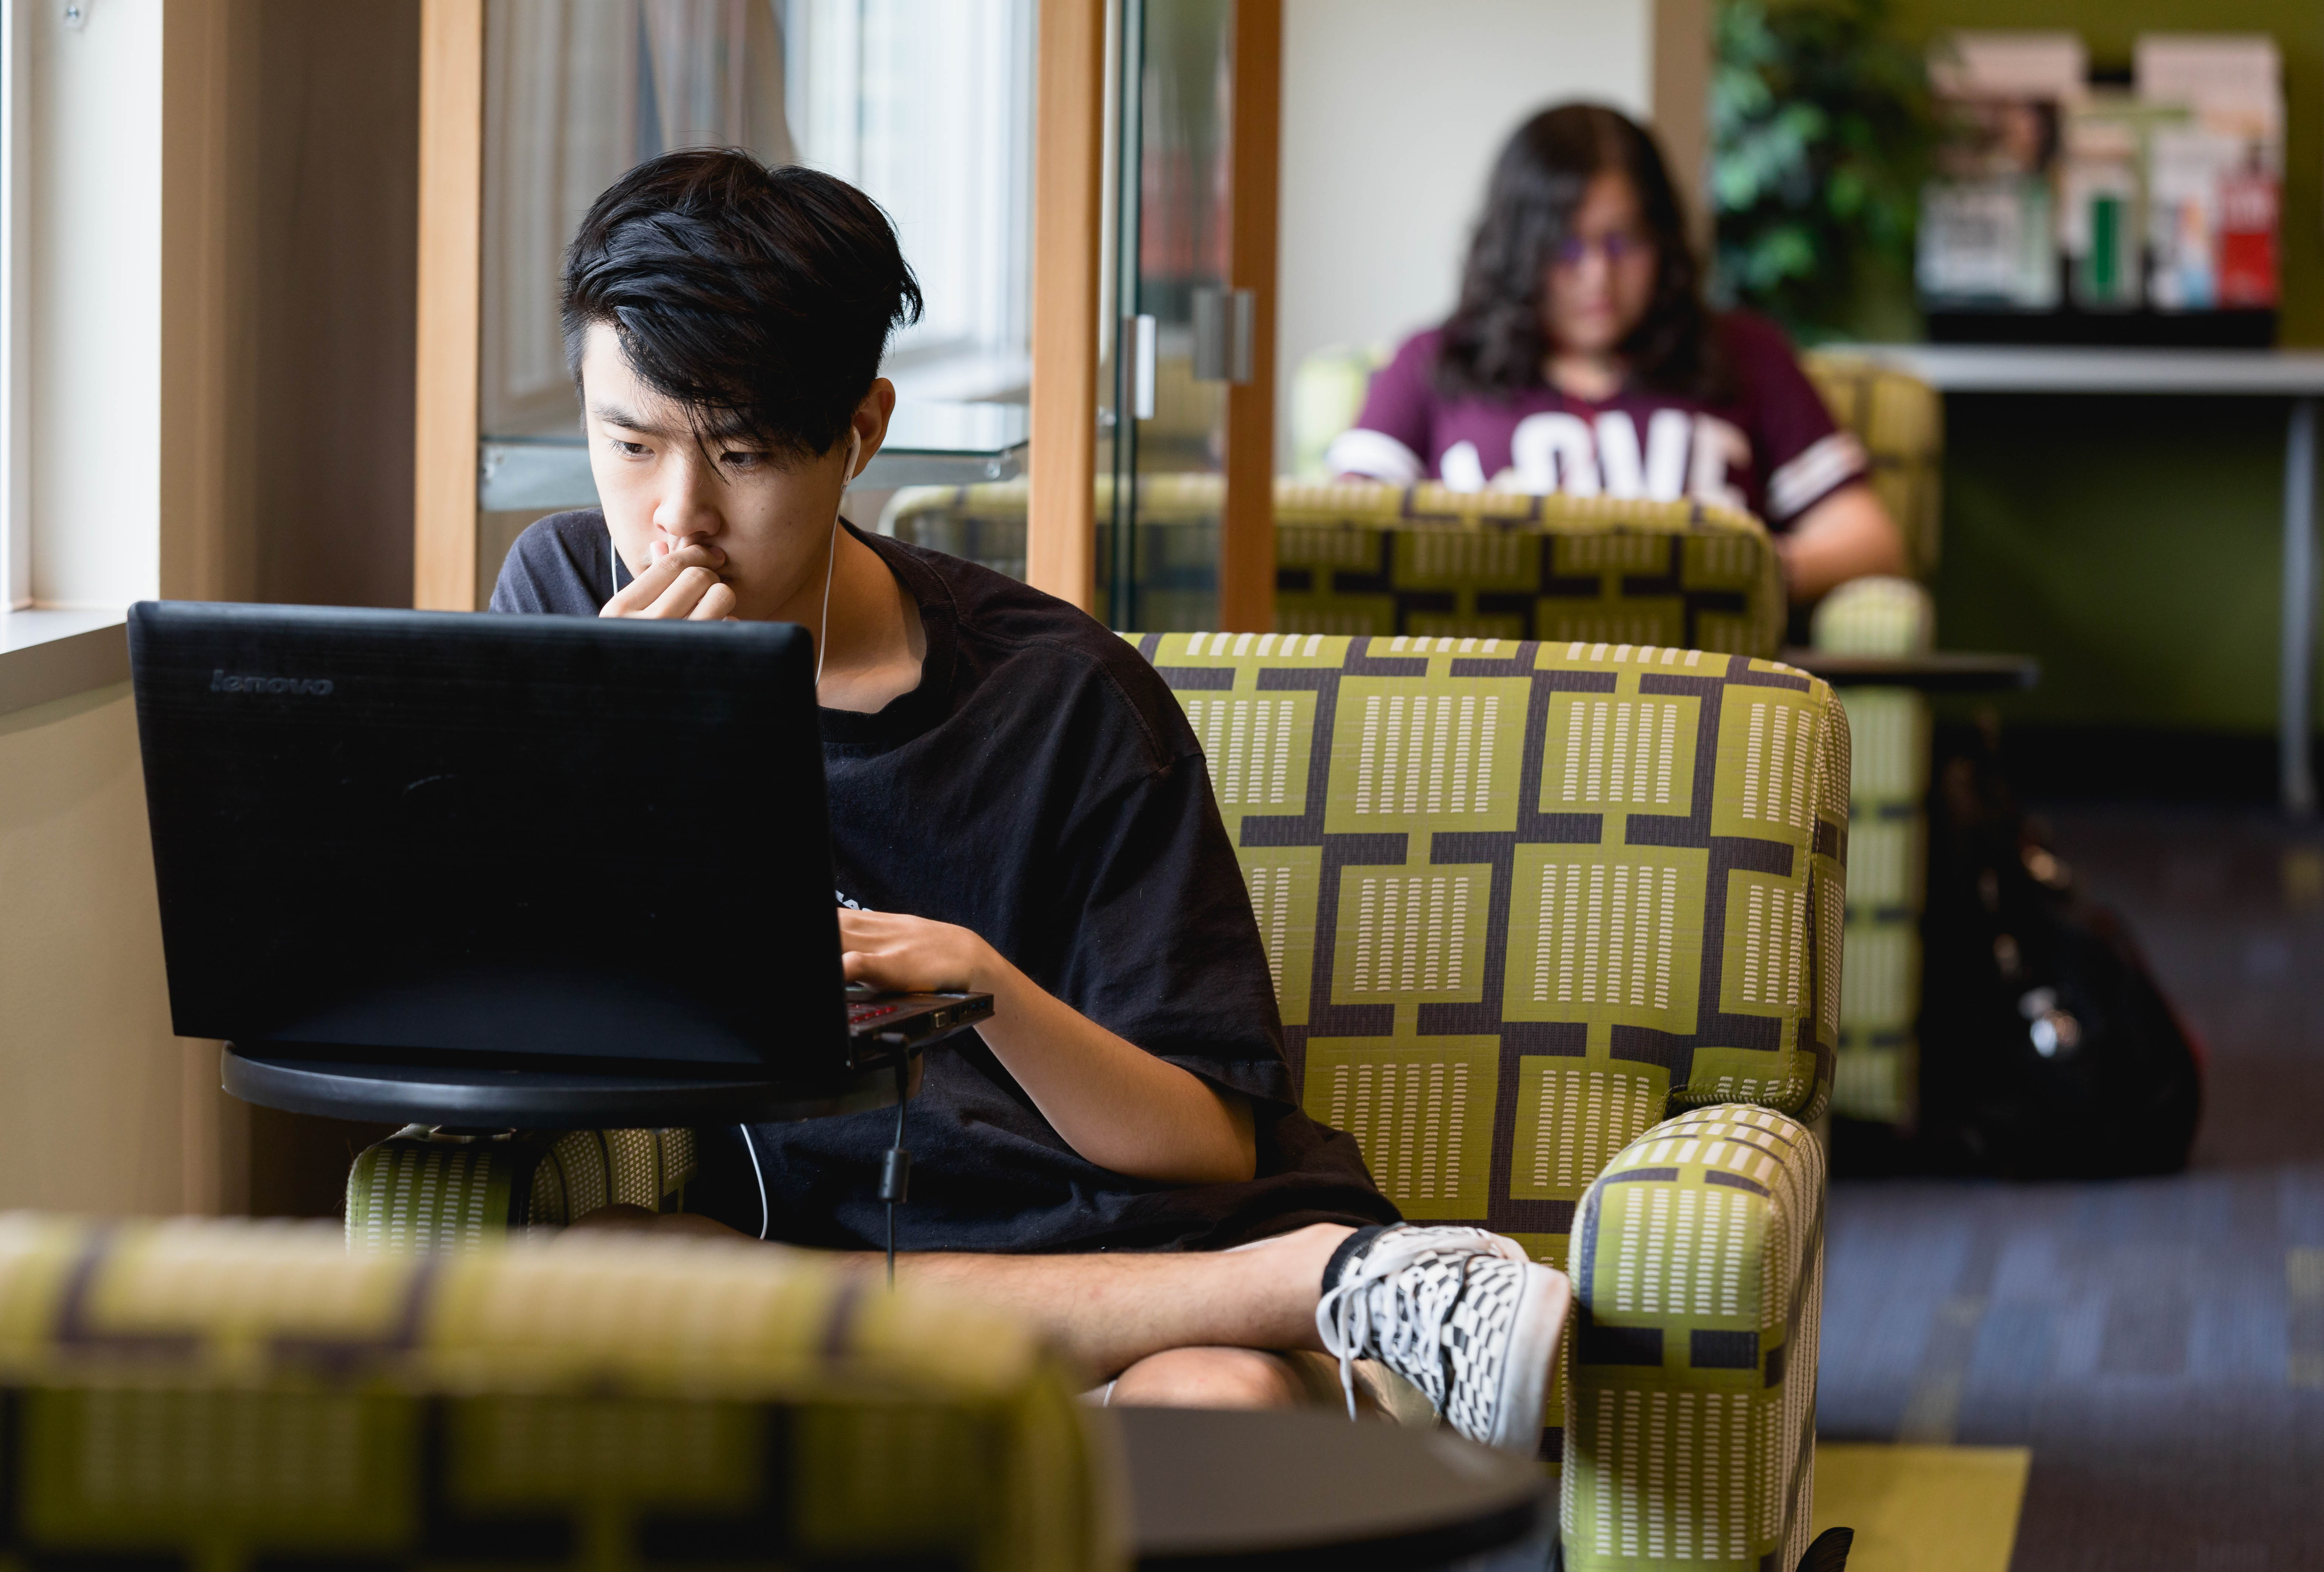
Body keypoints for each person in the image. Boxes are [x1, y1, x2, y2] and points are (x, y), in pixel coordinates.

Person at [488, 148, 1570, 1446]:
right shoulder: (569, 605)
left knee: (1208, 1406)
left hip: (1133, 1245)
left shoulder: (1060, 700)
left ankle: (1286, 1292)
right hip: (824, 1256)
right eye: (630, 443)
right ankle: (1325, 1287)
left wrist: (977, 980)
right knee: (598, 1267)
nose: (679, 518)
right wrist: (629, 753)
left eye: (743, 454)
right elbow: (514, 1012)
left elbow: (1212, 1144)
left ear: (861, 433)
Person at [1327, 103, 1905, 604]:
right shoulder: (1435, 361)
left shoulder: (1744, 353)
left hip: (1700, 702)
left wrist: (1735, 574)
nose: (1597, 276)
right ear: (1517, 250)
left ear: (1663, 241)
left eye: (1623, 242)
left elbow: (1869, 539)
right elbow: (1342, 539)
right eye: (1566, 247)